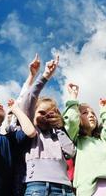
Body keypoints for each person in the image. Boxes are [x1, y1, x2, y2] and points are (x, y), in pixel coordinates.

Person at [20, 56, 76, 196]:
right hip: (37, 186)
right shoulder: (32, 132)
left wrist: (59, 127)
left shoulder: (57, 133)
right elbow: (28, 98)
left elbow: (71, 152)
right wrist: (45, 76)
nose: (46, 116)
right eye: (41, 112)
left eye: (50, 114)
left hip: (65, 189)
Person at [63, 83, 106, 196]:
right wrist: (73, 97)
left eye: (93, 113)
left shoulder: (102, 139)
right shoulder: (75, 140)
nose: (91, 115)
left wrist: (105, 109)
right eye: (85, 113)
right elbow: (71, 121)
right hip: (89, 189)